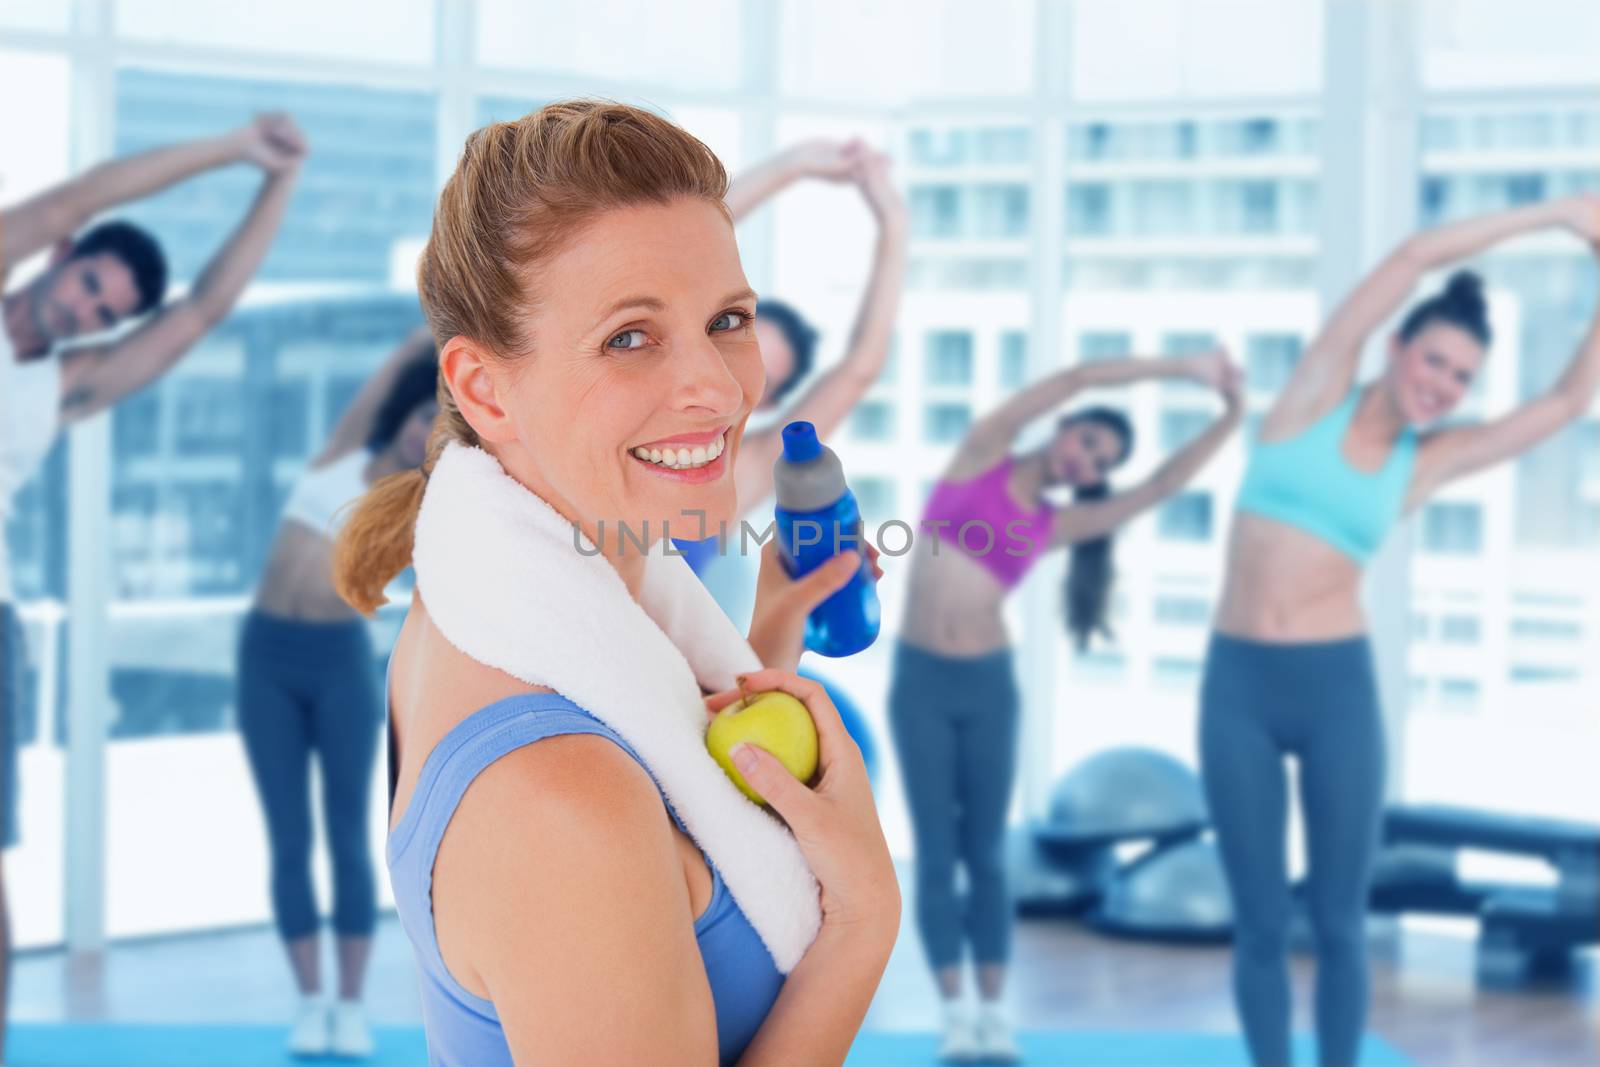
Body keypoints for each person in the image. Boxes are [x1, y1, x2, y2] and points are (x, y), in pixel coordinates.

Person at [331, 101, 900, 1065]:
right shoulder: (559, 800)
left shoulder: (489, 606)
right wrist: (862, 921)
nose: (718, 390)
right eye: (630, 337)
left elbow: (666, 794)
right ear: (482, 388)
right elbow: (603, 814)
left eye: (727, 319)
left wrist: (765, 642)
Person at [1202, 194, 1600, 1067]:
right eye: (1436, 361)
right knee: (1263, 921)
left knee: (1342, 922)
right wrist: (1558, 213)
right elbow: (1414, 254)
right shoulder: (1314, 395)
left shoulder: (1429, 461)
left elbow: (1569, 400)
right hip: (1238, 688)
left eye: (1462, 377)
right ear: (1396, 349)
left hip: (1336, 689)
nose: (1444, 385)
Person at [0, 113, 304, 1060]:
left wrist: (277, 185)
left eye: (104, 313)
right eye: (89, 283)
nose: (85, 311)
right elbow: (74, 197)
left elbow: (201, 312)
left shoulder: (69, 385)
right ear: (60, 257)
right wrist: (230, 147)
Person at [893, 349, 1244, 1062]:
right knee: (936, 854)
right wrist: (1185, 370)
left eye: (1101, 460)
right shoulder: (981, 455)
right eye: (1088, 441)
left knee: (986, 853)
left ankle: (993, 1014)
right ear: (1064, 429)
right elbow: (1079, 376)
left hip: (988, 686)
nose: (1089, 461)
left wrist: (1232, 414)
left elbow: (1161, 485)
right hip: (921, 682)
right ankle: (953, 1009)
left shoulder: (1056, 525)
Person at [237, 326, 436, 1058]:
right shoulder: (343, 455)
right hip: (264, 656)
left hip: (338, 663)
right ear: (408, 413)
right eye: (424, 416)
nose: (424, 432)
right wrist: (438, 327)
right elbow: (391, 371)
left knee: (349, 837)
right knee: (288, 837)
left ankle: (350, 1005)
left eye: (441, 433)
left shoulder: (417, 510)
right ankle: (310, 1000)